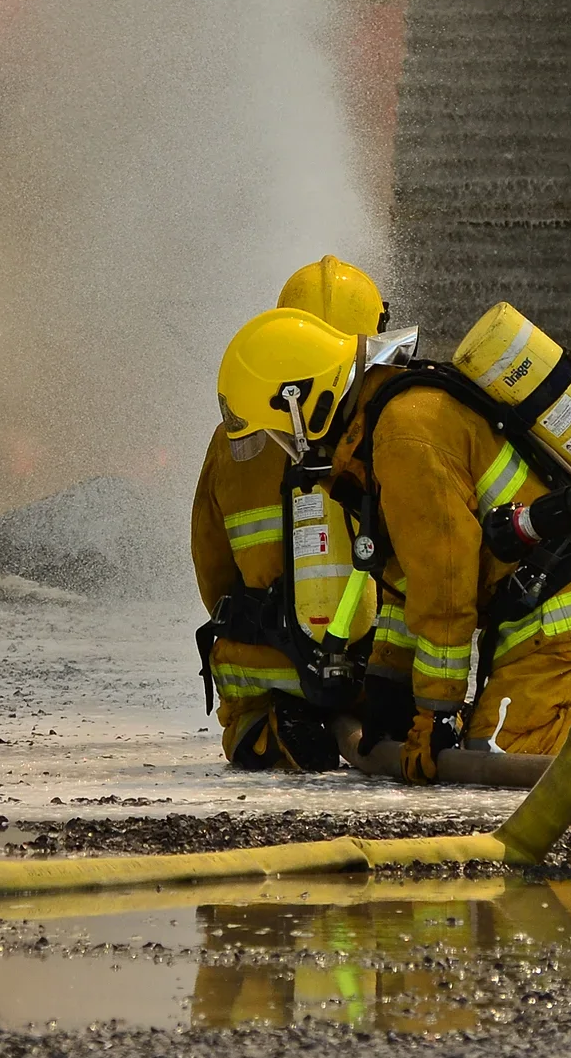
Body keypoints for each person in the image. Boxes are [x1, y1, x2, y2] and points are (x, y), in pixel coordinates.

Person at [210, 309, 571, 783]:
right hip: (566, 595)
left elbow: (445, 589)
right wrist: (388, 686)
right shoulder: (379, 428)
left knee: (500, 756)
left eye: (280, 431)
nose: (288, 447)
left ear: (302, 401)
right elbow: (407, 579)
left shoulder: (403, 437)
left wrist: (436, 714)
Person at [190, 256, 388, 769]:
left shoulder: (234, 439)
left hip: (265, 664)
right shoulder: (392, 423)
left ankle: (265, 727)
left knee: (247, 704)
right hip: (376, 669)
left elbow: (212, 568)